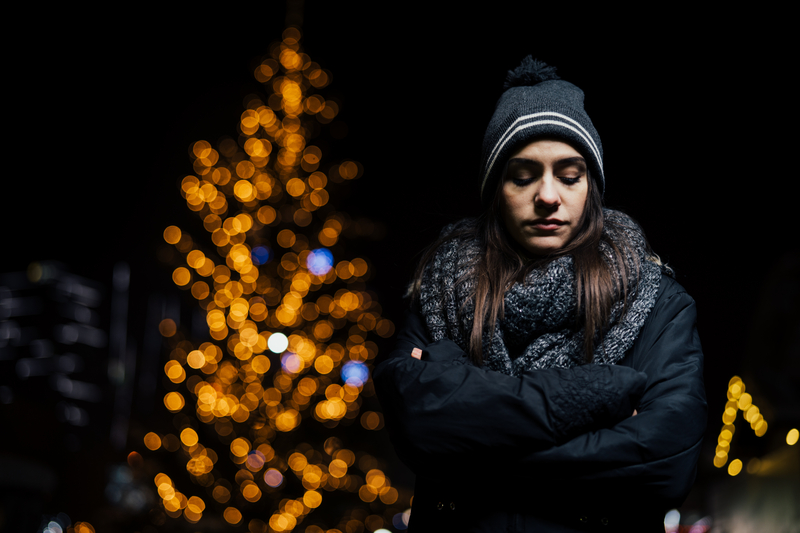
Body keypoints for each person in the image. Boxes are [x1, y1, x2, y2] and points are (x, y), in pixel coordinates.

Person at [373, 57, 707, 532]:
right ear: (496, 190)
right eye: (523, 175)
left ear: (591, 188)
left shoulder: (657, 302)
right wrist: (599, 396)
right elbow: (415, 425)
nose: (548, 196)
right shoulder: (440, 291)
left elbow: (666, 460)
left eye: (569, 175)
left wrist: (472, 441)